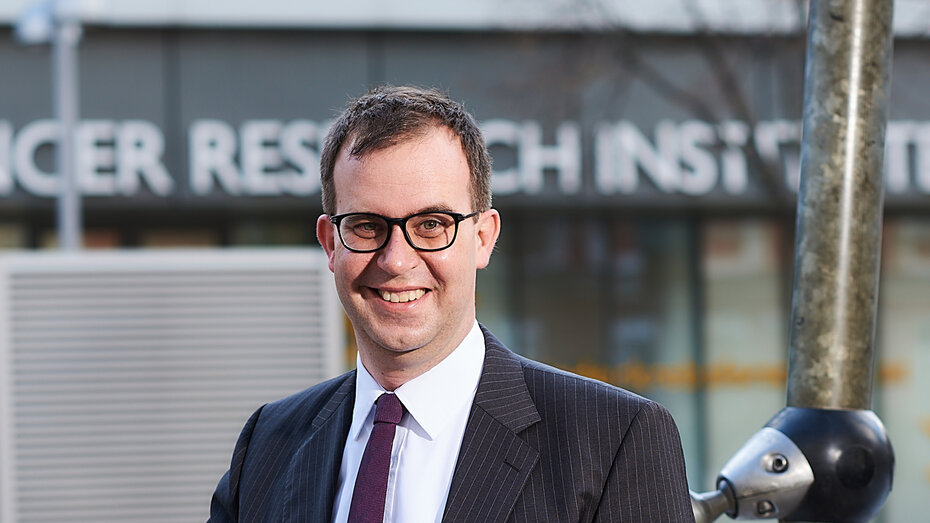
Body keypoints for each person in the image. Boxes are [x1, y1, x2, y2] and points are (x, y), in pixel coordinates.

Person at [209, 85, 695, 522]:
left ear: (483, 238)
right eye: (366, 226)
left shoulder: (612, 441)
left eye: (431, 225)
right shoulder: (267, 445)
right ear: (330, 243)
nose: (396, 260)